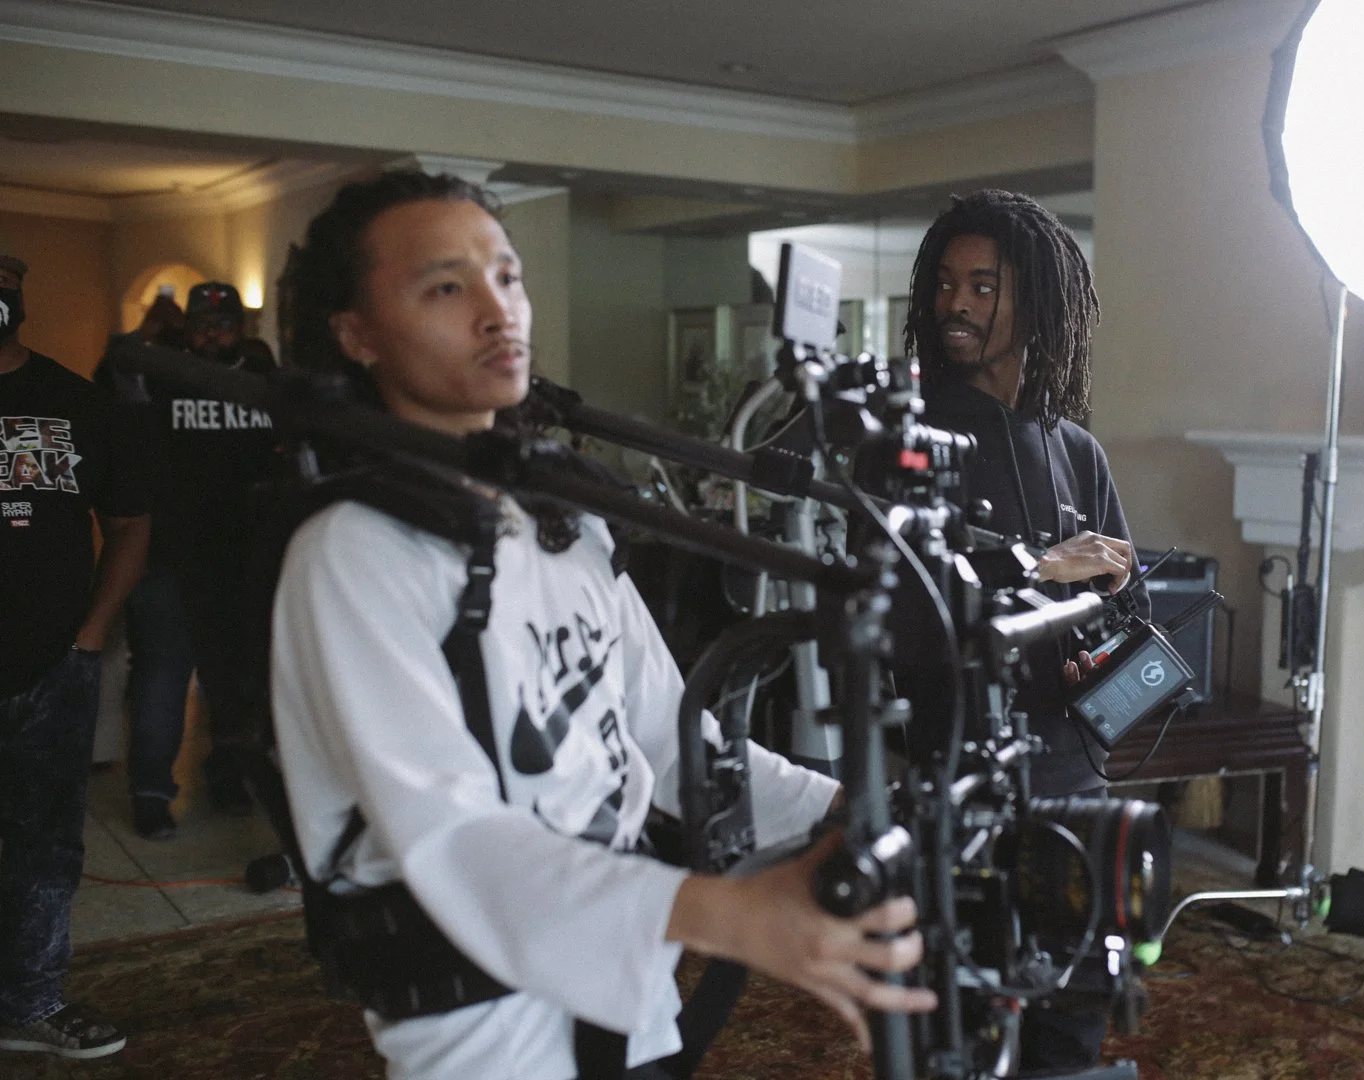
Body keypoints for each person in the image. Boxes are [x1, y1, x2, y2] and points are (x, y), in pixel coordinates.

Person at [271, 170, 936, 1080]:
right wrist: (727, 914)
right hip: (485, 1036)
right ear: (355, 334)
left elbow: (667, 735)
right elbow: (454, 841)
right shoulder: (353, 554)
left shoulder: (559, 518)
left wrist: (847, 805)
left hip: (628, 991)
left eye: (506, 276)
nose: (496, 311)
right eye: (445, 287)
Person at [903, 188, 1141, 1069]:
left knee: (1078, 1003)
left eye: (982, 285)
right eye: (945, 283)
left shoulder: (1076, 449)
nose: (954, 304)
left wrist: (1110, 618)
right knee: (959, 1018)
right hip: (961, 777)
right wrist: (1039, 565)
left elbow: (1127, 596)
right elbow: (903, 610)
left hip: (1079, 773)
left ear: (1034, 302)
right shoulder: (911, 441)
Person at [0, 248, 150, 1059]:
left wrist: (91, 633)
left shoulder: (77, 403)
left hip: (51, 665)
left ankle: (29, 998)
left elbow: (129, 525)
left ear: (21, 293)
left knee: (46, 844)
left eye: (4, 279)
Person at [110, 282, 279, 838]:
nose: (212, 334)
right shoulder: (161, 373)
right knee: (163, 677)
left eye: (223, 324)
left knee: (234, 680)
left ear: (241, 327)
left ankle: (229, 778)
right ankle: (152, 794)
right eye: (202, 325)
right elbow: (113, 375)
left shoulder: (264, 379)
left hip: (244, 560)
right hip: (169, 559)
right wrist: (148, 336)